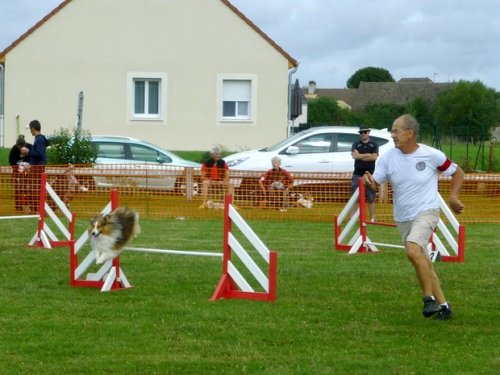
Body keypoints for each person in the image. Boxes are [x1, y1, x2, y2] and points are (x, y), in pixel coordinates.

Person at [363, 114, 464, 321]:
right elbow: (376, 183)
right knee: (422, 260)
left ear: (410, 133)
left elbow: (457, 172)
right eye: (392, 131)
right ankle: (445, 307)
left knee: (412, 250)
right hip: (403, 217)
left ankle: (429, 299)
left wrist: (453, 196)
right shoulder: (388, 157)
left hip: (427, 211)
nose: (392, 135)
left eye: (396, 130)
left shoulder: (431, 154)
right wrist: (369, 182)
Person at [351, 125, 379, 222]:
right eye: (361, 132)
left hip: (370, 175)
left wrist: (360, 156)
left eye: (365, 132)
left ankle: (372, 218)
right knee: (355, 198)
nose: (363, 134)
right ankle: (352, 219)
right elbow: (355, 156)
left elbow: (374, 157)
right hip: (357, 175)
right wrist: (367, 155)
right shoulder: (356, 144)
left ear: (368, 132)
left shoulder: (374, 144)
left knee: (371, 197)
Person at [21, 120, 49, 213]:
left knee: (35, 189)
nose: (30, 131)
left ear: (33, 128)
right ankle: (35, 208)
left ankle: (37, 209)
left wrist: (28, 151)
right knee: (35, 188)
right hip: (37, 167)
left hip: (38, 168)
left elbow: (40, 155)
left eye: (30, 129)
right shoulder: (39, 139)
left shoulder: (39, 140)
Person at [8, 135, 32, 211]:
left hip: (28, 171)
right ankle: (18, 206)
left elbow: (33, 159)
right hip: (17, 172)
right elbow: (11, 161)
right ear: (17, 146)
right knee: (18, 188)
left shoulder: (30, 147)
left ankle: (29, 204)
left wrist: (28, 167)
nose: (21, 149)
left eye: (22, 147)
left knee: (28, 188)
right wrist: (17, 169)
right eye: (19, 147)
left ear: (25, 145)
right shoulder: (14, 149)